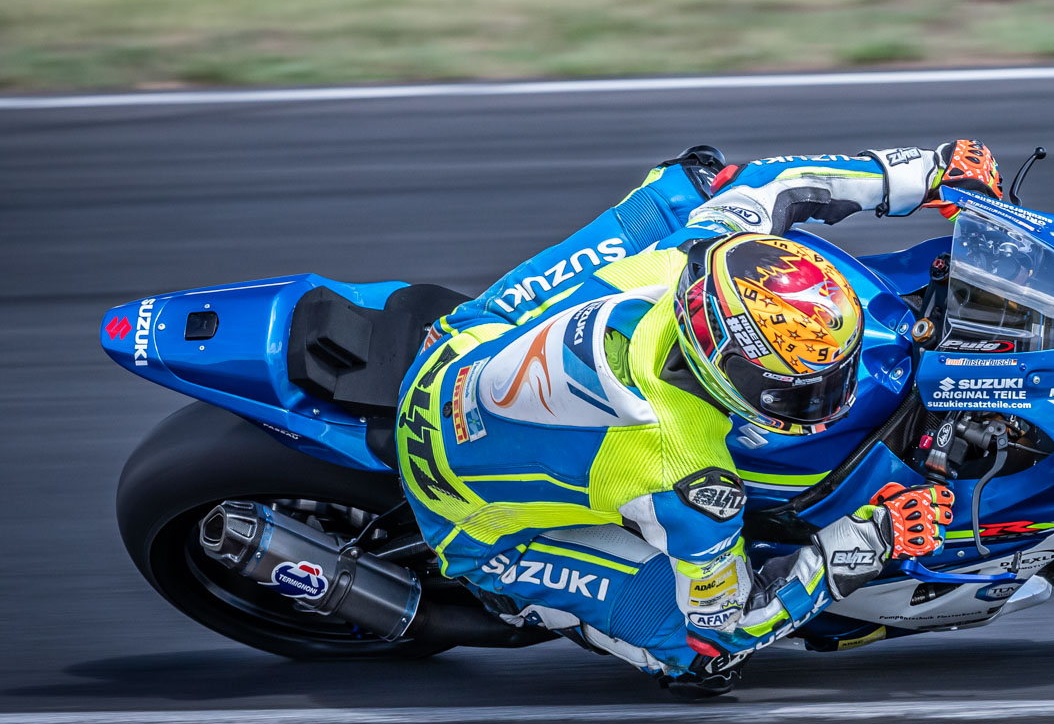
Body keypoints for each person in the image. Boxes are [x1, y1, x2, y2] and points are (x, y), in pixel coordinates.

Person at [394, 140, 1006, 694]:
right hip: (464, 512)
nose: (828, 400)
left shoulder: (700, 253)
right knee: (702, 658)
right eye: (802, 393)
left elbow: (775, 182)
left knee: (691, 182)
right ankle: (509, 595)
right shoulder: (689, 474)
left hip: (462, 342)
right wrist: (869, 539)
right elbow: (730, 621)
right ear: (727, 370)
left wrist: (930, 171)